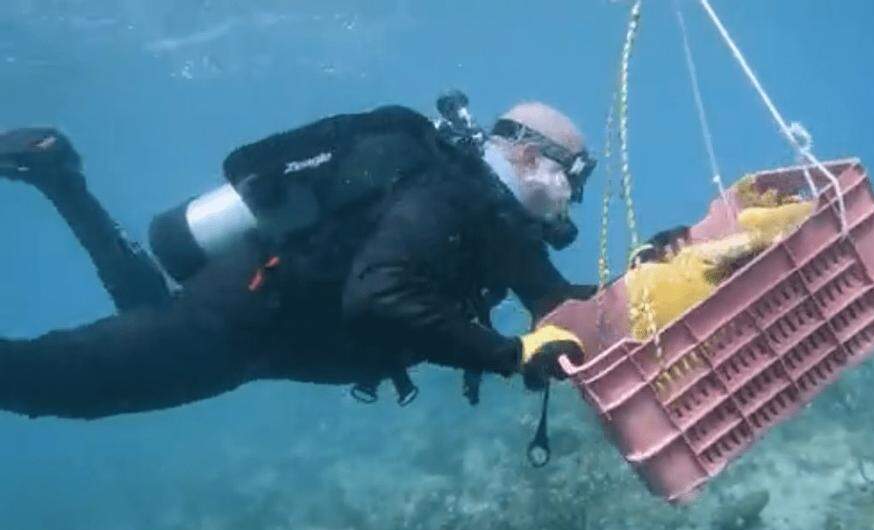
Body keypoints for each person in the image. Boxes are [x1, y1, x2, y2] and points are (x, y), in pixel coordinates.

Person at [0, 95, 594, 420]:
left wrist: (646, 272)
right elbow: (377, 293)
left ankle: (60, 177)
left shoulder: (497, 224)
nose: (572, 200)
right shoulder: (446, 198)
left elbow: (560, 307)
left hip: (263, 331)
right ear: (527, 158)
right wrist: (509, 354)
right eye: (572, 180)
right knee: (59, 382)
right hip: (242, 319)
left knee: (143, 318)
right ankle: (60, 177)